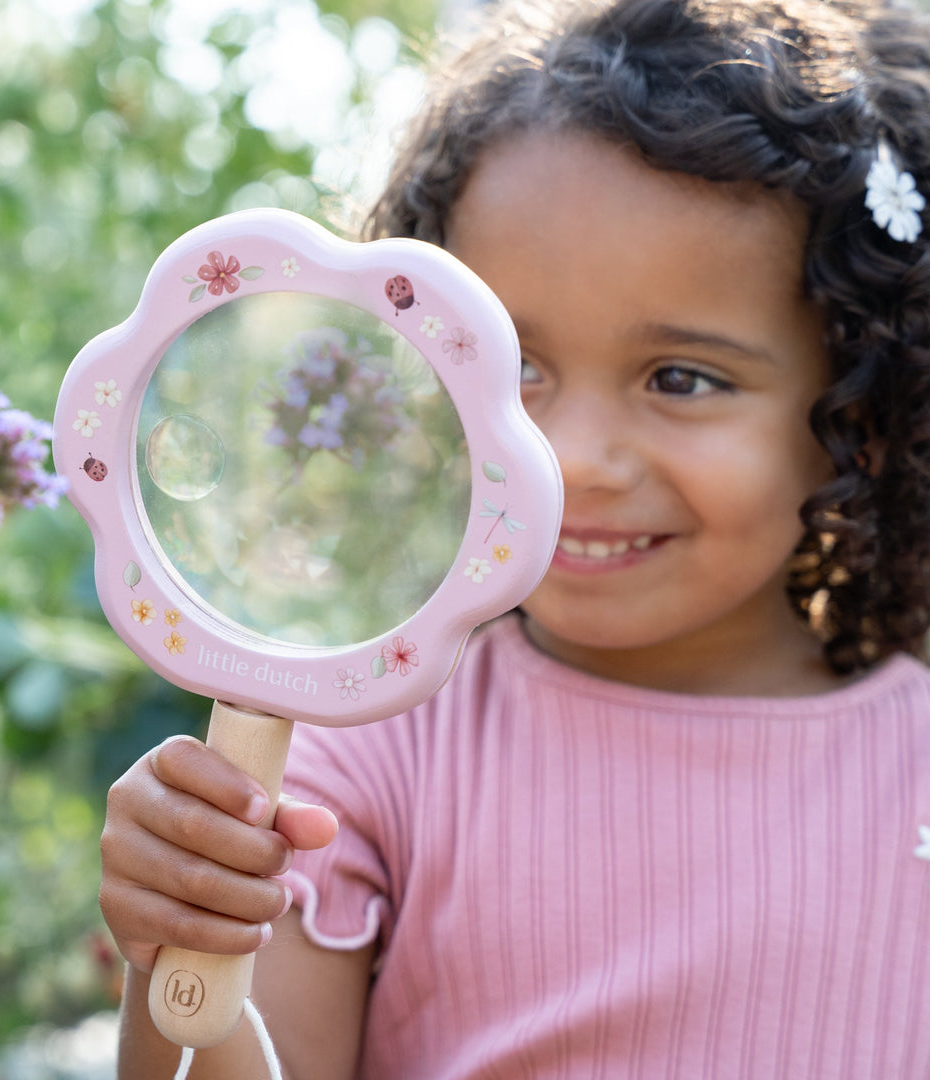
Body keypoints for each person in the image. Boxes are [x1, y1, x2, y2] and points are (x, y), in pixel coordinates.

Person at [98, 0, 930, 1075]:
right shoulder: (362, 752)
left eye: (682, 378)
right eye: (516, 366)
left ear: (856, 409)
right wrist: (181, 947)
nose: (570, 456)